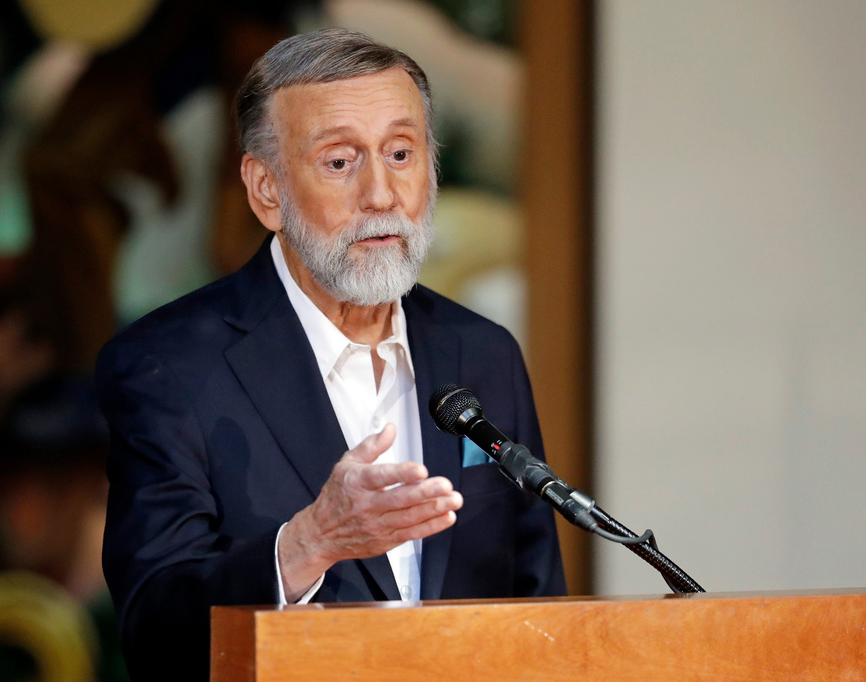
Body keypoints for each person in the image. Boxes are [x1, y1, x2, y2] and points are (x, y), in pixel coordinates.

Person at [96, 27, 566, 680]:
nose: (381, 194)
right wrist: (307, 545)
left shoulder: (482, 354)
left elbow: (536, 603)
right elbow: (154, 630)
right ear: (267, 191)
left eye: (401, 153)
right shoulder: (169, 367)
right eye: (341, 162)